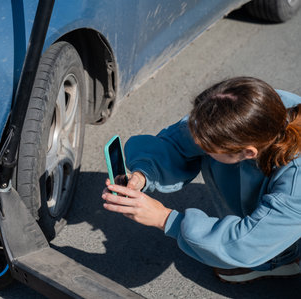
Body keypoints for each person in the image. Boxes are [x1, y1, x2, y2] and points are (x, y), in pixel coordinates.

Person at [102, 77, 301, 283]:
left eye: (207, 148)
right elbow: (179, 141)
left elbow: (246, 243)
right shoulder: (248, 110)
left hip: (291, 216)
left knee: (256, 244)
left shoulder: (296, 185)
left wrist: (165, 219)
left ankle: (284, 257)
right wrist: (144, 174)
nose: (197, 144)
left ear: (248, 152)